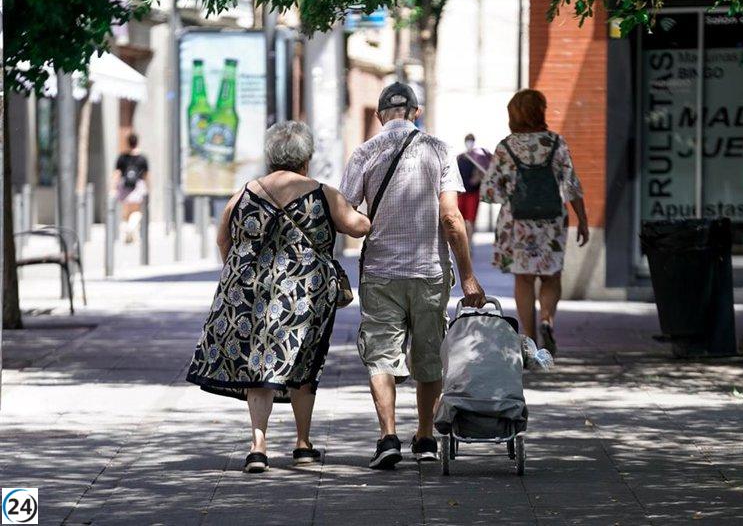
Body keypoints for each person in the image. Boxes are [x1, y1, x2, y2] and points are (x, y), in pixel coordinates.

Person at [186, 121, 370, 473]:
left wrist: (241, 273)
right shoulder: (321, 192)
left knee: (258, 365)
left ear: (270, 156)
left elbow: (223, 238)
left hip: (252, 292)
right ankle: (302, 444)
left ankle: (258, 446)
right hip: (306, 294)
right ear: (306, 158)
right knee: (304, 363)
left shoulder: (244, 192)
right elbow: (357, 226)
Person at [340, 82, 486, 470]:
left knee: (381, 357)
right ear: (416, 112)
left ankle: (387, 436)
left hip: (380, 272)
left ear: (379, 115)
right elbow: (452, 218)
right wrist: (468, 276)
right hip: (429, 272)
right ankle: (424, 438)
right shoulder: (439, 150)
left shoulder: (364, 152)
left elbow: (347, 213)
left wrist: (366, 227)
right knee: (429, 356)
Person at [480, 89, 589, 356]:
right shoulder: (555, 143)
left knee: (524, 279)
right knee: (551, 276)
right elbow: (571, 185)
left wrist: (510, 191)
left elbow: (489, 192)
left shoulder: (506, 147)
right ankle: (547, 321)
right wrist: (583, 220)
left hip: (517, 223)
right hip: (551, 220)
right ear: (540, 111)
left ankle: (528, 339)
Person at [112, 133, 149, 244]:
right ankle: (130, 229)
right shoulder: (142, 158)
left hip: (124, 186)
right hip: (138, 186)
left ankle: (128, 233)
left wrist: (113, 187)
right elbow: (147, 175)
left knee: (126, 212)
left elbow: (117, 173)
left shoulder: (122, 157)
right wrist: (148, 188)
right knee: (137, 211)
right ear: (137, 142)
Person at [456, 133, 492, 244]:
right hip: (462, 193)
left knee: (470, 221)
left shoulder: (478, 157)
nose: (469, 142)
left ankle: (469, 244)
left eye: (471, 140)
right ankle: (463, 243)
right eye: (468, 140)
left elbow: (484, 172)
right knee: (460, 220)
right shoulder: (460, 157)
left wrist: (477, 178)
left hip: (473, 192)